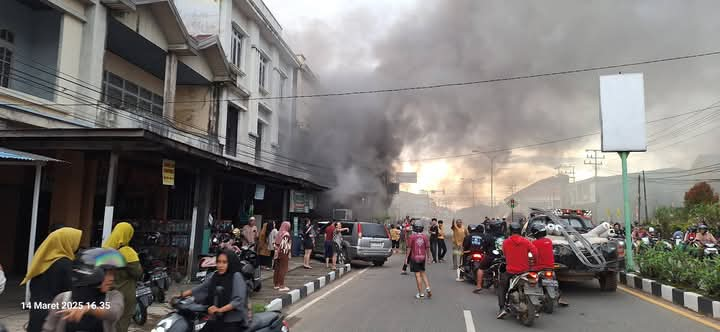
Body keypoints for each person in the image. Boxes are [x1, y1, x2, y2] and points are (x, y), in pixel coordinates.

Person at [42, 248, 126, 332]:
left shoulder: (113, 296)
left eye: (113, 274)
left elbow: (113, 313)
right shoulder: (63, 298)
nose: (112, 279)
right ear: (91, 273)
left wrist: (88, 309)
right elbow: (48, 328)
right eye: (108, 274)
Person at [22, 227, 82, 332]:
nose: (77, 246)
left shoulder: (42, 263)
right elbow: (71, 292)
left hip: (36, 316)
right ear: (66, 242)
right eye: (75, 242)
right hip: (52, 319)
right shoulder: (65, 264)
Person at [180, 250, 249, 331]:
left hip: (232, 321)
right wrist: (181, 295)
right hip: (216, 318)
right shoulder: (215, 275)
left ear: (231, 263)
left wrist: (220, 309)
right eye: (219, 262)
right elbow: (202, 287)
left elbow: (238, 300)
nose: (220, 265)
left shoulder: (236, 276)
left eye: (224, 262)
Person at [102, 222, 142, 332]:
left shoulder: (106, 248)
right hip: (124, 294)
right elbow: (138, 273)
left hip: (107, 293)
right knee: (121, 324)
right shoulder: (127, 252)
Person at [497, 222, 538, 319]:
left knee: (502, 286)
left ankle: (502, 308)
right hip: (525, 271)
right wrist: (533, 262)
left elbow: (505, 254)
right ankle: (535, 308)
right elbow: (535, 252)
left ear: (510, 231)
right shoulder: (526, 241)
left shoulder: (506, 242)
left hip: (510, 272)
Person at [462, 224, 495, 293]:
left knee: (465, 257)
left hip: (471, 252)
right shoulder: (485, 236)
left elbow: (465, 245)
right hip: (482, 253)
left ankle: (478, 285)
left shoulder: (469, 236)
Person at [407, 223, 432, 299]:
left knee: (418, 275)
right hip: (422, 258)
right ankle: (428, 288)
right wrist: (428, 258)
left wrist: (406, 258)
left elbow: (409, 248)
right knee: (423, 273)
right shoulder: (425, 237)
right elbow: (427, 248)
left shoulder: (412, 237)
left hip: (415, 258)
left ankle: (421, 293)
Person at [273, 221, 292, 292]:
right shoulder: (286, 234)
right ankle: (281, 285)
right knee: (283, 269)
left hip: (277, 253)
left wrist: (277, 250)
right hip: (283, 253)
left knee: (277, 268)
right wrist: (288, 253)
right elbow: (284, 246)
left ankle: (276, 284)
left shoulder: (279, 233)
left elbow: (274, 243)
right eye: (288, 226)